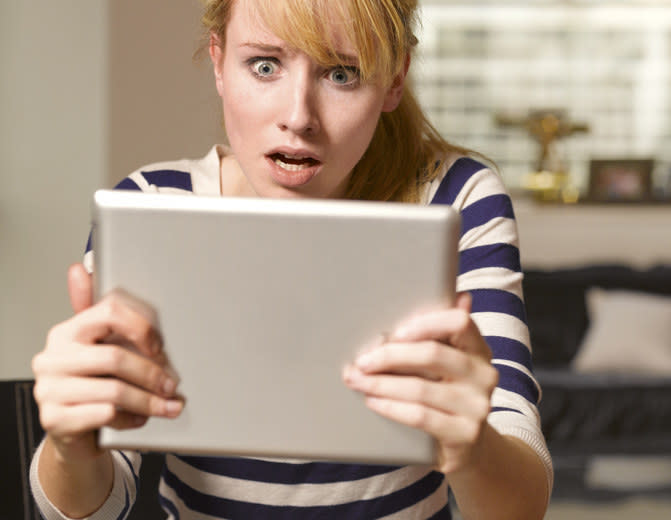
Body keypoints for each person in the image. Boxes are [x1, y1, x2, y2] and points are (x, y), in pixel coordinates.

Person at [30, 0, 553, 518]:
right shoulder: (151, 206)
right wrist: (69, 444)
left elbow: (520, 506)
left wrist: (474, 448)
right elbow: (95, 508)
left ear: (395, 81)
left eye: (343, 74)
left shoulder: (455, 199)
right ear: (218, 60)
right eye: (264, 66)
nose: (298, 117)